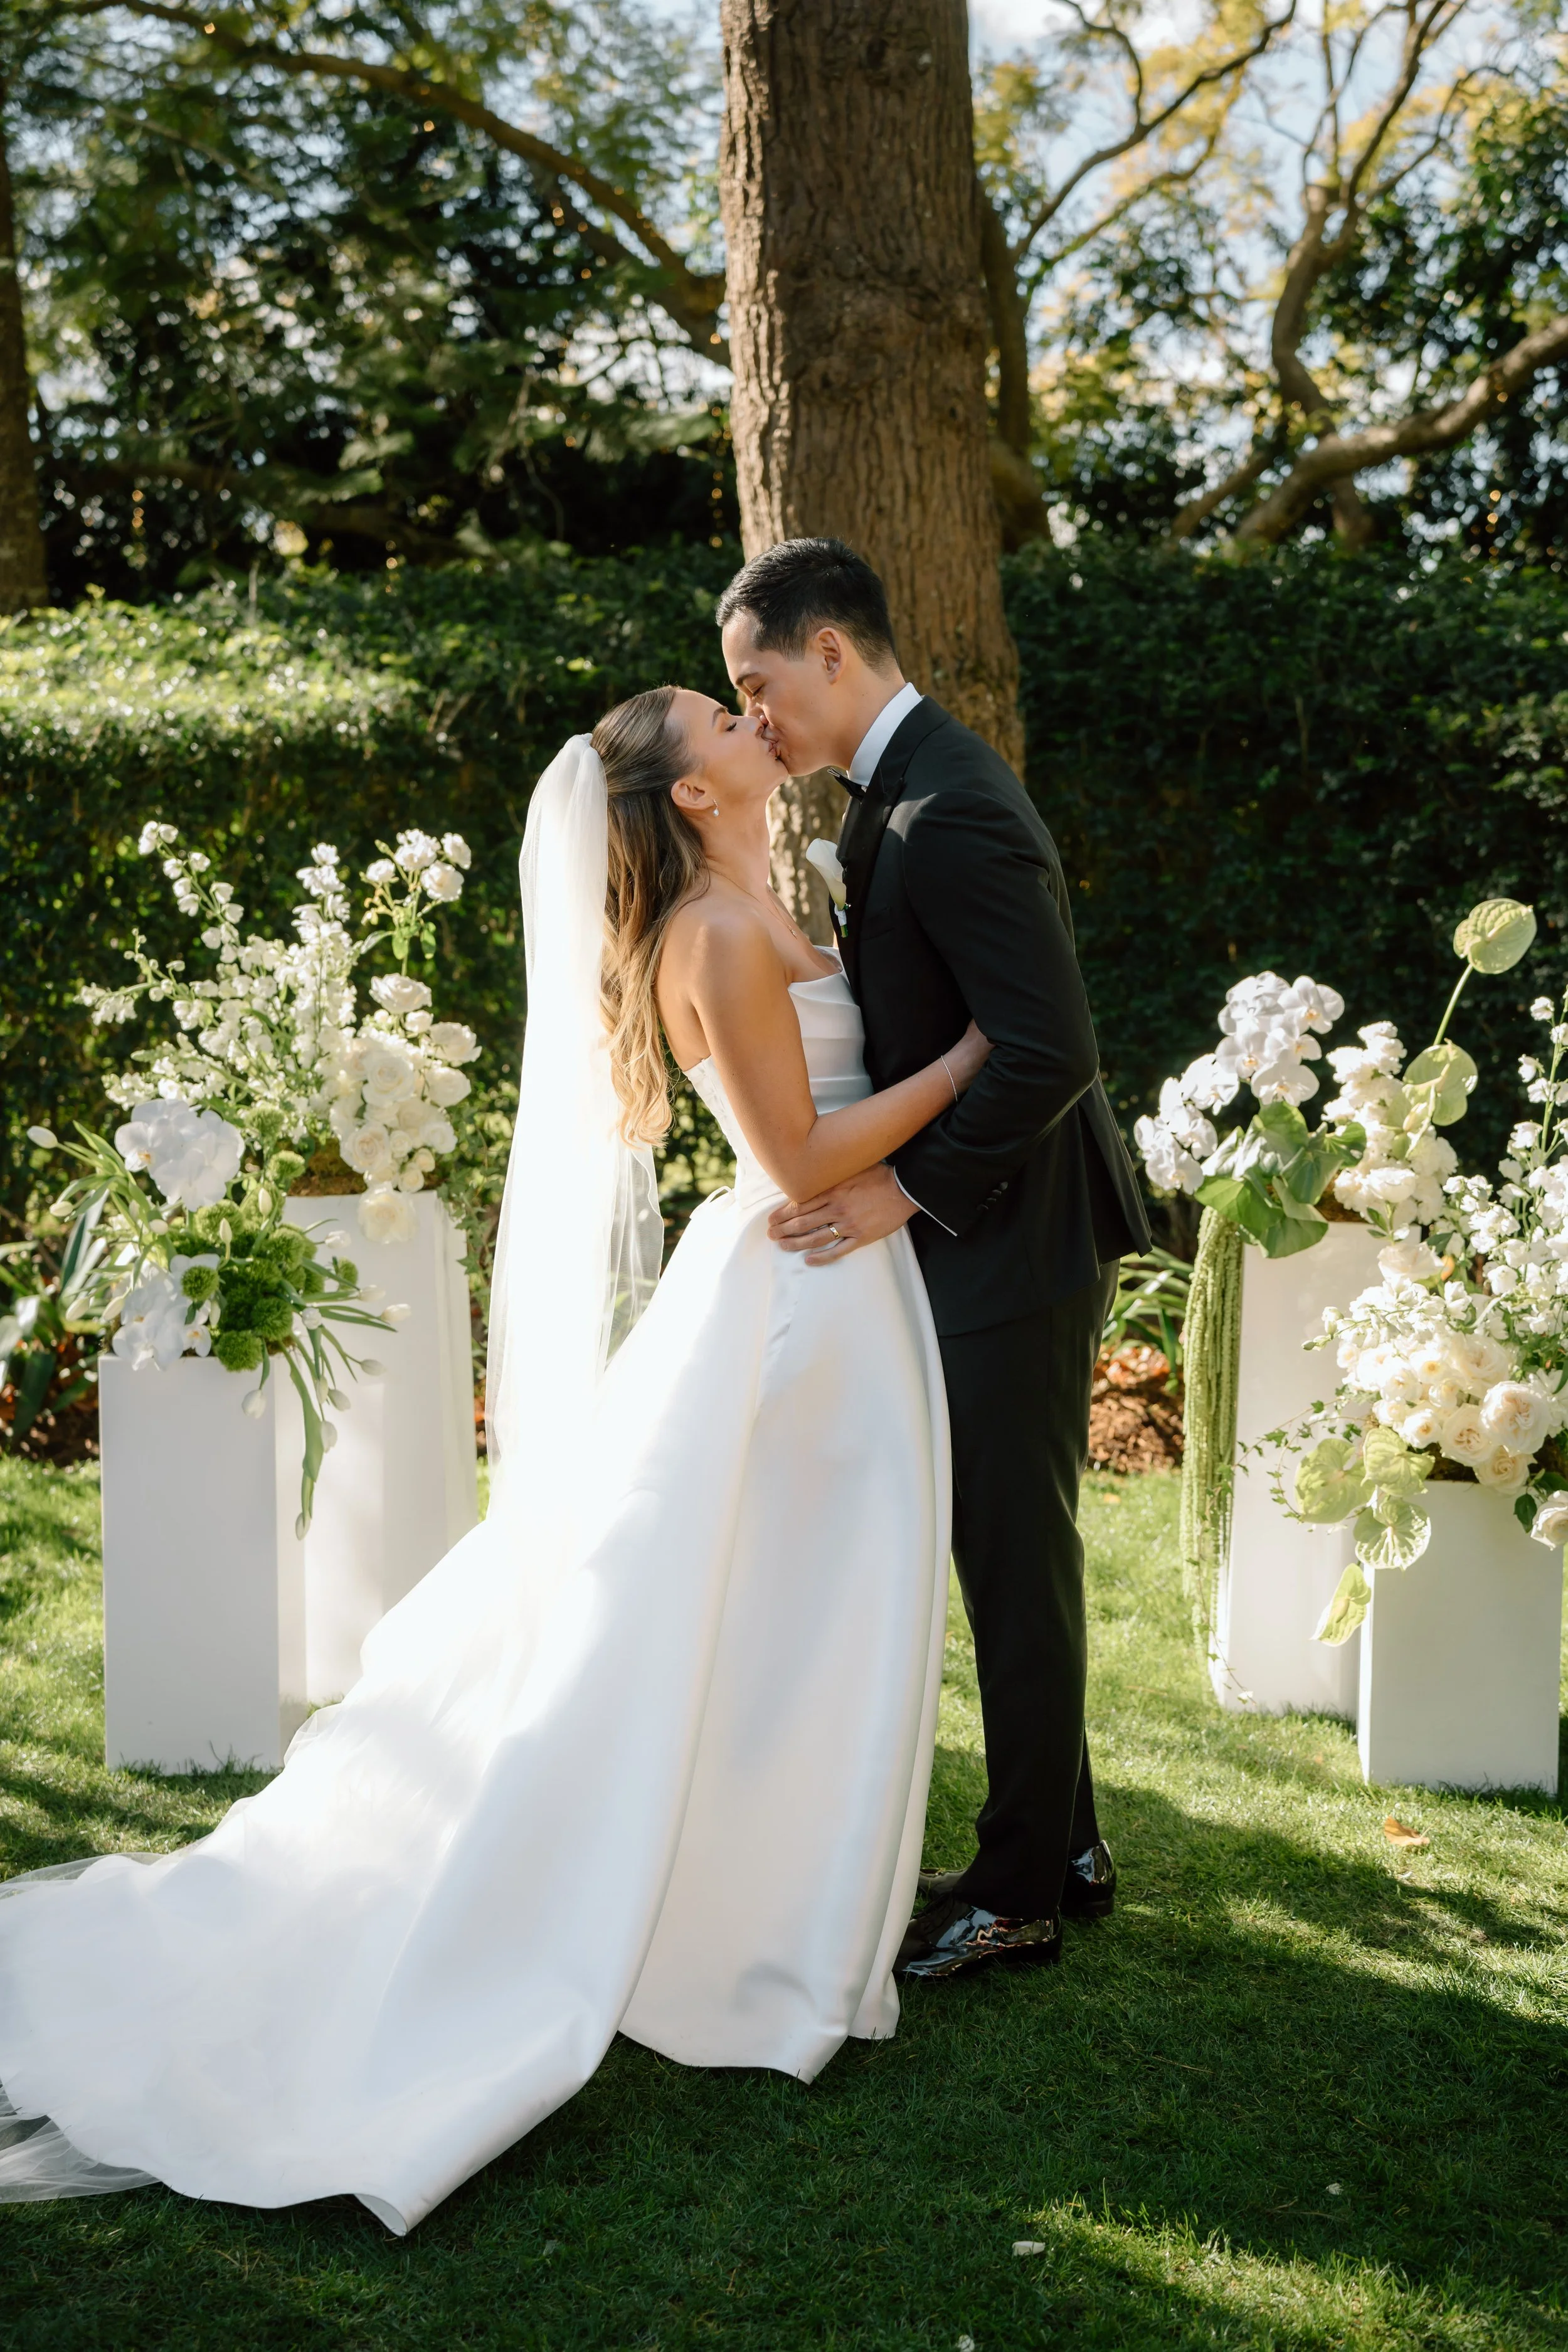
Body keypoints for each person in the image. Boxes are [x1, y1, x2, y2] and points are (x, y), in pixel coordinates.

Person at [0, 691, 986, 2234]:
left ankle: (765, 1922)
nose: (743, 719)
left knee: (789, 1623)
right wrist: (972, 1070)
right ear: (684, 795)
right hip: (797, 1285)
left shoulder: (756, 902)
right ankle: (750, 1952)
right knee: (781, 1615)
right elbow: (793, 1158)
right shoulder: (713, 943)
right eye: (708, 718)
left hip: (832, 1292)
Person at [716, 538, 1150, 1983]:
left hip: (1012, 1230)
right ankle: (1066, 1840)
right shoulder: (892, 794)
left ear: (828, 650)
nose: (755, 714)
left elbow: (1048, 1050)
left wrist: (909, 1189)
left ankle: (1020, 1886)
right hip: (996, 1221)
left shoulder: (947, 807)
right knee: (1004, 1548)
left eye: (755, 681)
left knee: (1011, 1560)